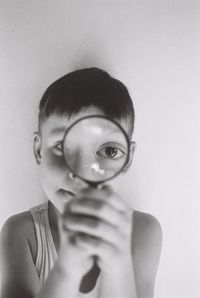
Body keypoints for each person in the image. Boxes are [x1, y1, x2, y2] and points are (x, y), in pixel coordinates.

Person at [0, 67, 162, 298]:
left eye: (109, 150)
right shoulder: (21, 233)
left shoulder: (143, 231)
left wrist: (118, 267)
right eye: (62, 146)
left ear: (127, 160)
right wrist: (66, 270)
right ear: (39, 150)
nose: (83, 173)